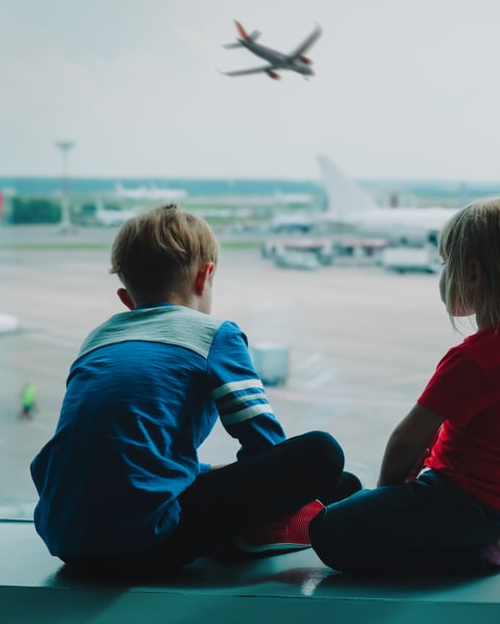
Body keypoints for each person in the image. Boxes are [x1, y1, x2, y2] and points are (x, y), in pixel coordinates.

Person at [30, 204, 359, 577]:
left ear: (126, 299)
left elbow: (122, 448)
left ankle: (245, 530)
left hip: (66, 539)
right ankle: (250, 533)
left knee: (335, 487)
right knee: (323, 456)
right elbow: (264, 443)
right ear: (205, 277)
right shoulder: (213, 335)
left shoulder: (99, 338)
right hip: (144, 543)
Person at [309, 196, 500, 576]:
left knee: (328, 532)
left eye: (447, 263)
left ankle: (484, 551)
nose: (443, 273)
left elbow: (405, 440)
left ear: (473, 274)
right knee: (357, 501)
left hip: (464, 504)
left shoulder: (478, 356)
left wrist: (387, 497)